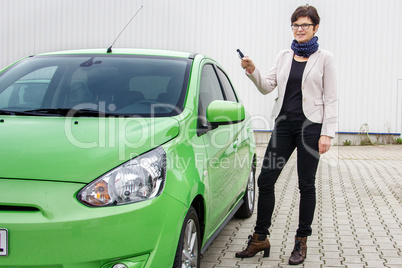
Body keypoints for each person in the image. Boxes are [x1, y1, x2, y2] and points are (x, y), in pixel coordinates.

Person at [235, 4, 337, 265]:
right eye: (295, 25)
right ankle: (260, 238)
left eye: (304, 25)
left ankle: (301, 242)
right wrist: (251, 70)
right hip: (283, 126)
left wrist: (327, 134)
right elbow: (268, 86)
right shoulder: (283, 55)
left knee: (306, 185)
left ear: (315, 27)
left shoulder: (325, 58)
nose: (299, 29)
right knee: (266, 179)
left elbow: (331, 98)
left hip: (310, 128)